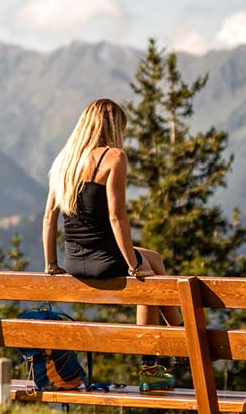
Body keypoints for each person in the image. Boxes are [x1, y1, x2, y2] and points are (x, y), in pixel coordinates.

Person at [42, 97, 179, 392]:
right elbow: (117, 218)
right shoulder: (114, 157)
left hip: (73, 262)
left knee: (152, 258)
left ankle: (177, 330)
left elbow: (49, 219)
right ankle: (153, 368)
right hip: (106, 260)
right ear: (114, 127)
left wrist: (51, 264)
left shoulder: (63, 161)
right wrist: (132, 266)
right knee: (149, 280)